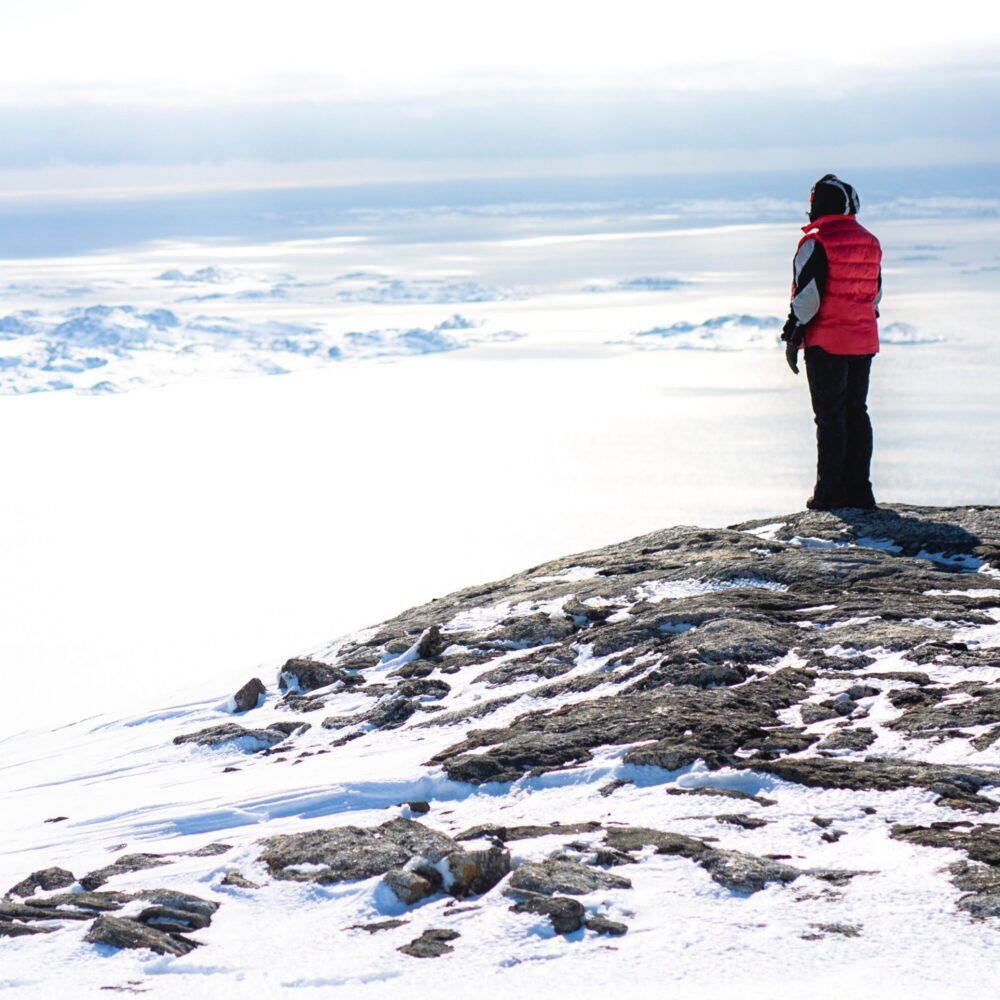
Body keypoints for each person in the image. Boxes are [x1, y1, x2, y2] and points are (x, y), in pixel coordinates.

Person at [781, 173, 883, 511]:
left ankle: (830, 493)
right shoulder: (870, 241)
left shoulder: (816, 242)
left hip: (827, 342)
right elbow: (875, 294)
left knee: (830, 417)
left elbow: (808, 297)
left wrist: (793, 335)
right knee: (857, 412)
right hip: (863, 340)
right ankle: (860, 491)